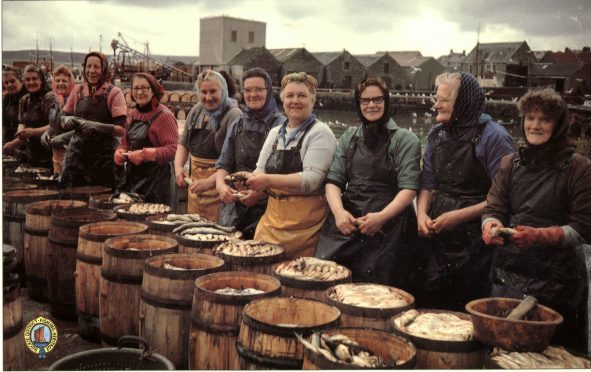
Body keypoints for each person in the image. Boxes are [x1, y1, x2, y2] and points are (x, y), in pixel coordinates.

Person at [482, 88, 590, 353]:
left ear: (559, 125)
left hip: (558, 281)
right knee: (504, 351)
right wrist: (490, 225)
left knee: (555, 354)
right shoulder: (511, 164)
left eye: (545, 119)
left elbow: (583, 228)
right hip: (510, 275)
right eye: (530, 117)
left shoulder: (579, 168)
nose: (535, 125)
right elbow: (494, 206)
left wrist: (538, 236)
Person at [415, 72, 514, 311]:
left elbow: (504, 195)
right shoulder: (436, 135)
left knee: (469, 305)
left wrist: (458, 216)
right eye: (435, 98)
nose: (435, 104)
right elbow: (428, 183)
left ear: (463, 103)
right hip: (439, 234)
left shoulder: (494, 137)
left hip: (477, 238)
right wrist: (421, 216)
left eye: (443, 100)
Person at [315, 77, 421, 286]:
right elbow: (333, 181)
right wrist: (338, 213)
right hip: (350, 219)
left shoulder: (406, 140)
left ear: (387, 101)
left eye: (377, 100)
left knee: (380, 284)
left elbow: (409, 188)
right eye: (365, 101)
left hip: (390, 223)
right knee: (325, 273)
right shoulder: (349, 137)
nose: (371, 105)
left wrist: (381, 218)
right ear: (358, 103)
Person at [245, 72, 337, 258]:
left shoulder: (320, 133)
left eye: (302, 96)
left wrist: (266, 180)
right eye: (290, 96)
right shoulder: (275, 133)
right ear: (282, 101)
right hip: (271, 221)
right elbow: (259, 171)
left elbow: (312, 180)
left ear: (313, 101)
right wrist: (250, 190)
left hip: (305, 227)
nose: (295, 101)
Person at [215, 68, 286, 238]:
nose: (253, 94)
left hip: (266, 207)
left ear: (268, 91)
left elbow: (284, 173)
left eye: (258, 89)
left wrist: (259, 194)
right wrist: (221, 186)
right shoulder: (237, 124)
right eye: (248, 90)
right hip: (234, 203)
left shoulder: (282, 125)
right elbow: (224, 164)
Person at [174, 70, 242, 221]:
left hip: (221, 188)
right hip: (196, 187)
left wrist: (209, 182)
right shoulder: (196, 111)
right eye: (203, 92)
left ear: (223, 90)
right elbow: (183, 144)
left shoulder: (234, 115)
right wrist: (178, 168)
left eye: (213, 91)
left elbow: (233, 161)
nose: (208, 97)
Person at [59, 51, 127, 189]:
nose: (91, 71)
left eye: (96, 67)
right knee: (72, 199)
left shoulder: (114, 93)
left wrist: (95, 126)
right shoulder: (78, 90)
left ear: (104, 69)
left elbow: (122, 130)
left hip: (104, 159)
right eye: (88, 66)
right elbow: (63, 117)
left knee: (103, 201)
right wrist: (66, 120)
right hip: (77, 156)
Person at [114, 73, 178, 207]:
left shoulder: (164, 116)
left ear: (153, 90)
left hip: (158, 183)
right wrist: (120, 152)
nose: (139, 92)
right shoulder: (133, 114)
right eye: (136, 88)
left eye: (144, 88)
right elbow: (125, 142)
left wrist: (145, 155)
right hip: (135, 179)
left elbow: (173, 150)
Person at [3, 64, 52, 167]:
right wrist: (20, 131)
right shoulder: (24, 100)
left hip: (48, 151)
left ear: (41, 80)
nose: (31, 82)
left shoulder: (49, 98)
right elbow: (21, 122)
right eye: (28, 79)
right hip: (29, 152)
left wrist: (32, 132)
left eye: (34, 79)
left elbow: (55, 126)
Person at [41, 64, 76, 176]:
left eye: (64, 81)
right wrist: (46, 133)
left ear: (71, 83)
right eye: (57, 80)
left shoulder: (77, 100)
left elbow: (82, 128)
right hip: (57, 155)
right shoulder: (53, 101)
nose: (60, 83)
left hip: (74, 156)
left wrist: (62, 138)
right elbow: (54, 125)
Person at [2, 66, 27, 146]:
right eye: (6, 82)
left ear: (21, 80)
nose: (9, 85)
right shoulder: (6, 98)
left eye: (12, 81)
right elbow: (4, 124)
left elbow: (28, 126)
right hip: (9, 140)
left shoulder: (29, 97)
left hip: (25, 141)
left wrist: (12, 144)